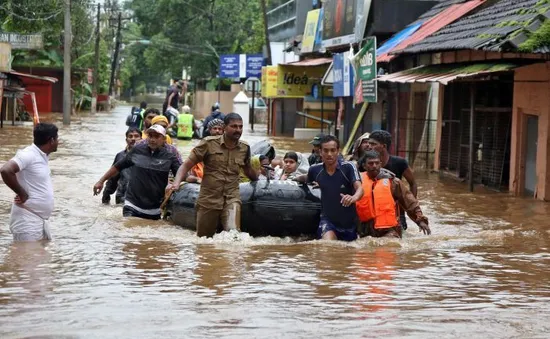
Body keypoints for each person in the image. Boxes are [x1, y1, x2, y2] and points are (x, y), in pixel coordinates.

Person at [167, 113, 258, 237]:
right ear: (225, 127)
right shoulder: (208, 144)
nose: (238, 130)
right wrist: (176, 183)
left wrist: (259, 181)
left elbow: (248, 169)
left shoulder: (244, 148)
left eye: (240, 127)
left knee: (234, 235)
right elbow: (186, 165)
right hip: (209, 199)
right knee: (204, 239)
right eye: (234, 126)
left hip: (232, 197)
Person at [93, 125, 181, 220]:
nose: (152, 139)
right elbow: (117, 167)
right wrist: (101, 181)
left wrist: (184, 181)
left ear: (164, 139)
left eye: (156, 136)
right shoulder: (137, 150)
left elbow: (181, 173)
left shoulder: (170, 156)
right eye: (150, 136)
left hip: (154, 209)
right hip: (132, 205)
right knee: (129, 230)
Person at [295, 135, 363, 242]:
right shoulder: (315, 170)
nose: (329, 154)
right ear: (320, 151)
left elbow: (360, 188)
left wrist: (353, 198)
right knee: (328, 246)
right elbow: (307, 178)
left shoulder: (348, 167)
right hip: (328, 222)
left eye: (332, 150)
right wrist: (293, 178)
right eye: (326, 151)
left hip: (349, 224)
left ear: (338, 151)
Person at [0, 123, 59, 241]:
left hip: (39, 220)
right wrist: (22, 193)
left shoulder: (41, 156)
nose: (59, 141)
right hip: (27, 220)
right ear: (51, 140)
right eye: (57, 138)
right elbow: (6, 170)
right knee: (25, 258)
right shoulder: (29, 154)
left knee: (38, 258)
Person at [355, 150, 430, 238]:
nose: (374, 166)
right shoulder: (357, 182)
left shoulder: (393, 182)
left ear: (381, 164)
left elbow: (410, 201)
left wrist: (420, 220)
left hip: (389, 230)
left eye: (377, 163)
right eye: (371, 163)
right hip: (365, 230)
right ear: (364, 166)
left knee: (389, 246)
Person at [367, 130, 418, 230]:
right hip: (374, 212)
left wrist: (410, 206)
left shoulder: (399, 163)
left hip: (397, 213)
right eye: (369, 143)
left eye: (373, 144)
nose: (369, 146)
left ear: (384, 146)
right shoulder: (365, 164)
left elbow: (413, 183)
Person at [102, 127, 142, 205]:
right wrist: (106, 195)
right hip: (122, 197)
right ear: (126, 140)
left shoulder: (147, 156)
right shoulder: (120, 156)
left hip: (140, 197)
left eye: (136, 136)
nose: (133, 139)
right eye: (130, 136)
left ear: (141, 139)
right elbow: (113, 178)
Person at [186, 118, 225, 184]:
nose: (217, 131)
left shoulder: (226, 147)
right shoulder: (202, 145)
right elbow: (189, 168)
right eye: (215, 128)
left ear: (223, 131)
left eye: (219, 129)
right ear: (210, 130)